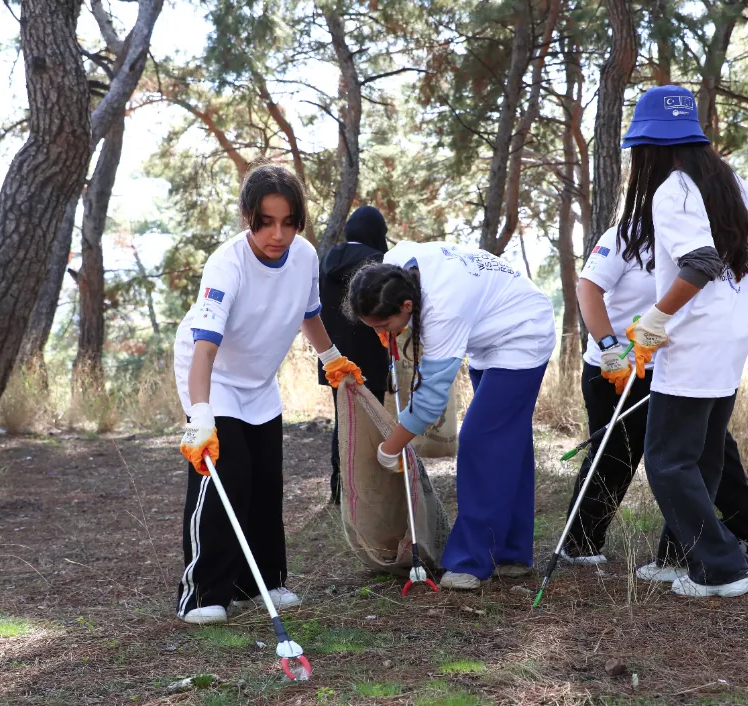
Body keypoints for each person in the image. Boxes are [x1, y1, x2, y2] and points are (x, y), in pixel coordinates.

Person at [616, 85, 748, 597]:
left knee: (669, 461)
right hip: (730, 342)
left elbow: (701, 263)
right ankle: (679, 558)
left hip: (692, 344)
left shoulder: (672, 191)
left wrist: (654, 318)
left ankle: (721, 569)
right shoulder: (730, 181)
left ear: (650, 145)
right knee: (703, 459)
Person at [174, 164, 363, 624]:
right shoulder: (226, 264)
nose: (278, 234)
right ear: (247, 217)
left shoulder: (304, 256)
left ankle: (260, 583)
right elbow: (204, 350)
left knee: (265, 480)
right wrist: (200, 416)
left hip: (259, 380)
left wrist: (332, 357)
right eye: (266, 222)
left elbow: (309, 313)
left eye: (288, 221)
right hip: (212, 377)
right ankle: (202, 594)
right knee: (226, 474)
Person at [560, 228, 748, 572]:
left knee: (713, 450)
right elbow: (588, 288)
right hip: (620, 365)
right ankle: (580, 543)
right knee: (614, 455)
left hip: (686, 366)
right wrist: (608, 347)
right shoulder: (625, 235)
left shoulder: (711, 234)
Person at [347, 242, 556, 590]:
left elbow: (429, 401)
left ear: (408, 305)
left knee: (480, 442)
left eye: (386, 325)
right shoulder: (391, 269)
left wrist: (390, 449)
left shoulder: (444, 310)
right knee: (507, 442)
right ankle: (511, 552)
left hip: (522, 331)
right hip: (487, 332)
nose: (382, 334)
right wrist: (393, 332)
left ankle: (471, 561)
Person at [317, 206, 391, 505]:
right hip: (371, 355)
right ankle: (367, 489)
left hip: (333, 356)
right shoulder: (380, 263)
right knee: (371, 423)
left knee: (343, 422)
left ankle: (340, 490)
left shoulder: (327, 261)